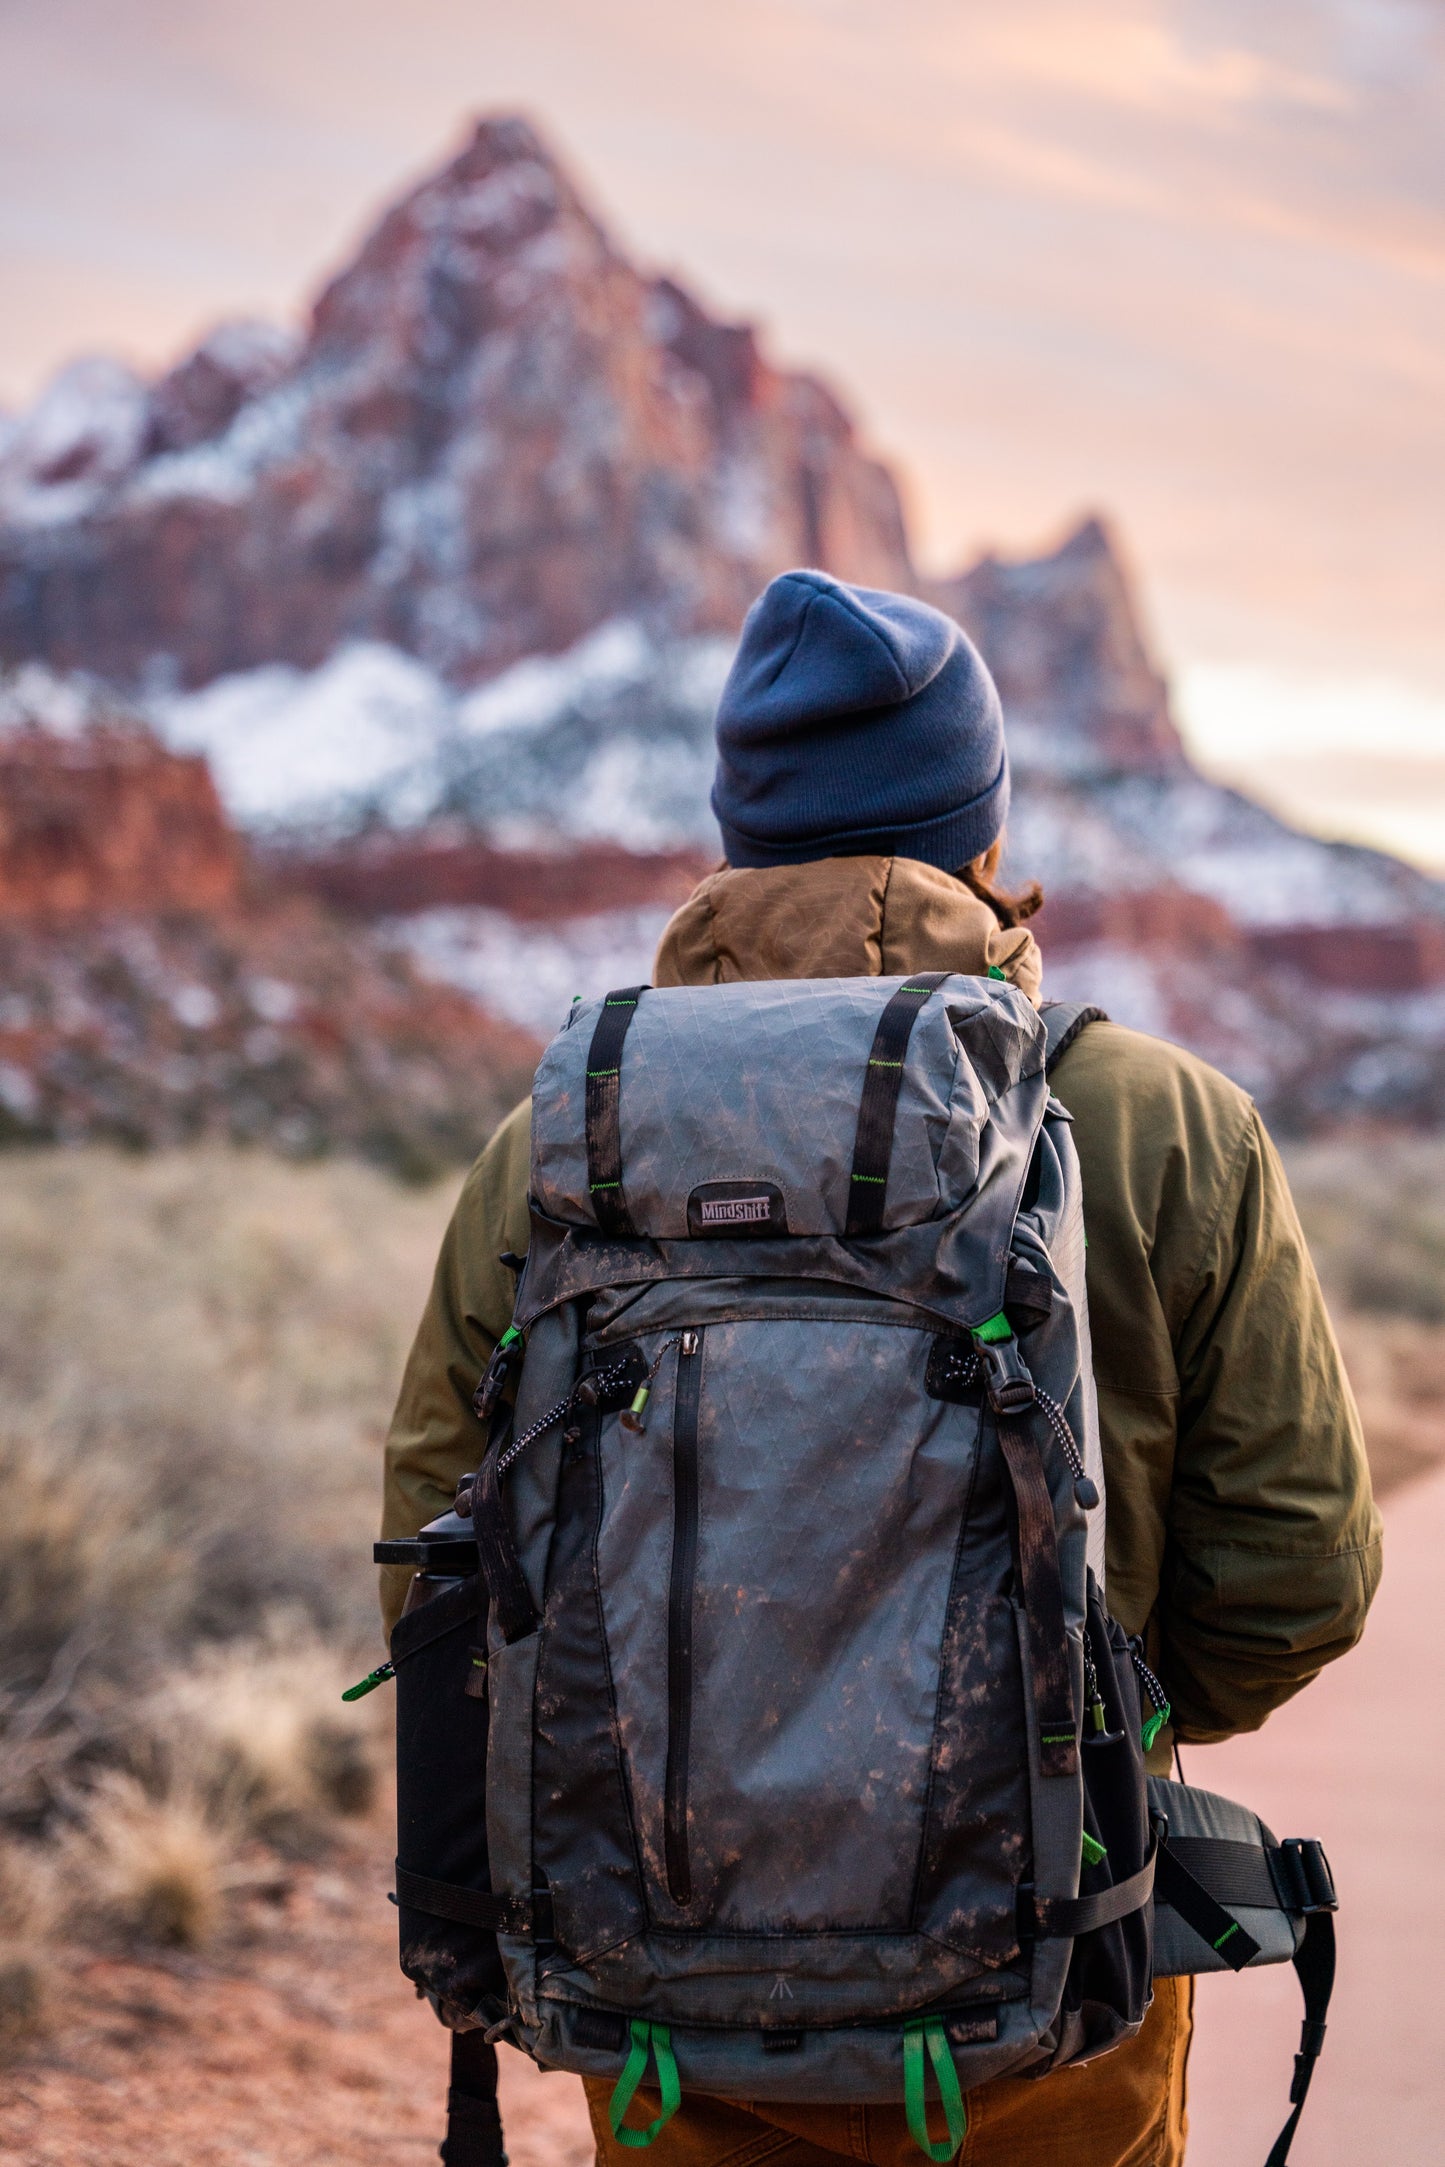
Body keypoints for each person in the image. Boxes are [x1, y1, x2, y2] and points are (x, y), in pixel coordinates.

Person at [380, 569, 1381, 2166]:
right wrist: (1068, 1735)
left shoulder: (562, 1144)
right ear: (981, 843)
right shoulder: (1163, 1122)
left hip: (658, 1992)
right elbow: (1296, 1577)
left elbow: (435, 1567)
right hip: (1045, 1990)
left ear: (733, 838)